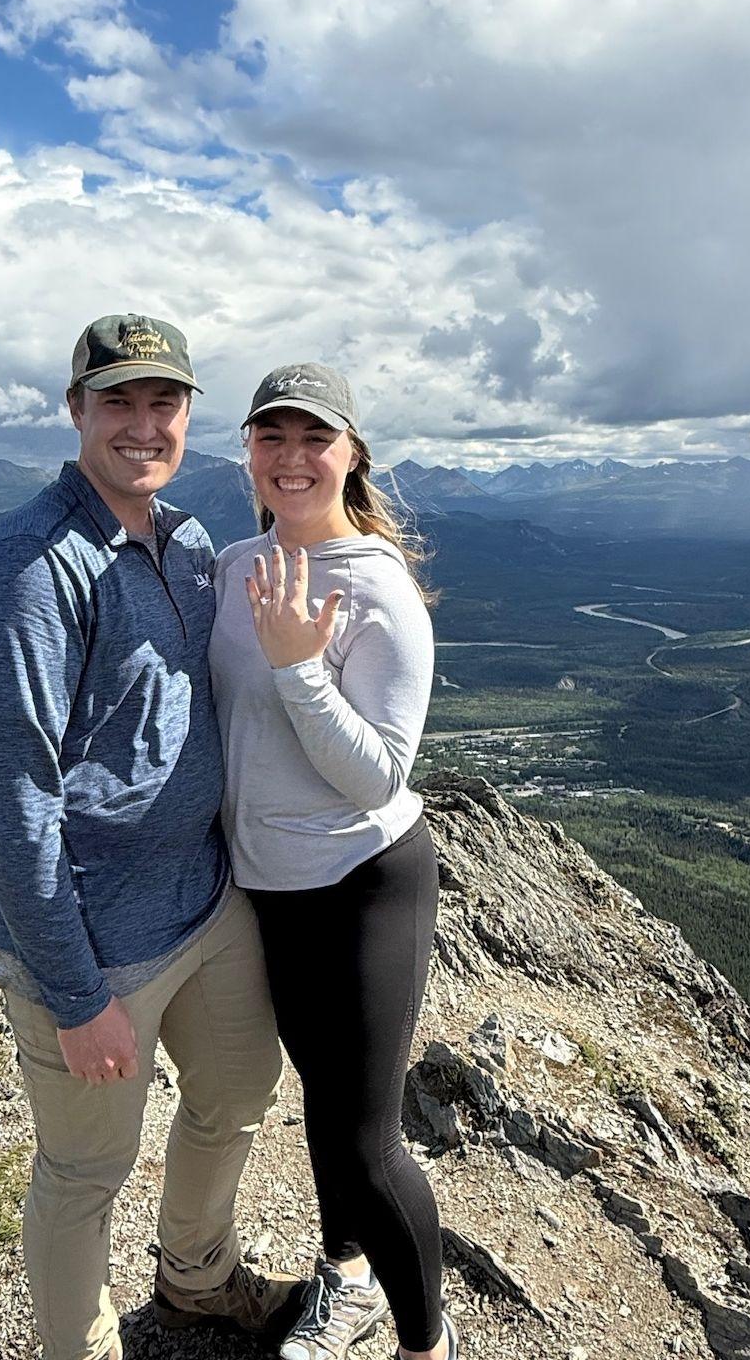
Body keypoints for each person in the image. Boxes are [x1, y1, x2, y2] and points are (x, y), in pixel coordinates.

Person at [0, 314, 301, 1360]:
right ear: (77, 412)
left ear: (191, 415)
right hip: (97, 944)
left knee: (239, 1092)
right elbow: (11, 796)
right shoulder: (31, 566)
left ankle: (196, 1278)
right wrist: (75, 993)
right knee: (82, 1176)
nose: (143, 425)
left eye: (165, 402)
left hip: (207, 905)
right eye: (118, 402)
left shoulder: (185, 541)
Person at [209, 363, 457, 1360]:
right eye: (272, 436)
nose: (292, 457)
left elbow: (379, 775)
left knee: (366, 1142)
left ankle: (425, 1346)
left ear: (352, 455)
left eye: (315, 438)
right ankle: (345, 1276)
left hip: (363, 883)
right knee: (321, 1101)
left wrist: (299, 666)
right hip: (269, 886)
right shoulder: (233, 566)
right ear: (250, 454)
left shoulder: (379, 592)